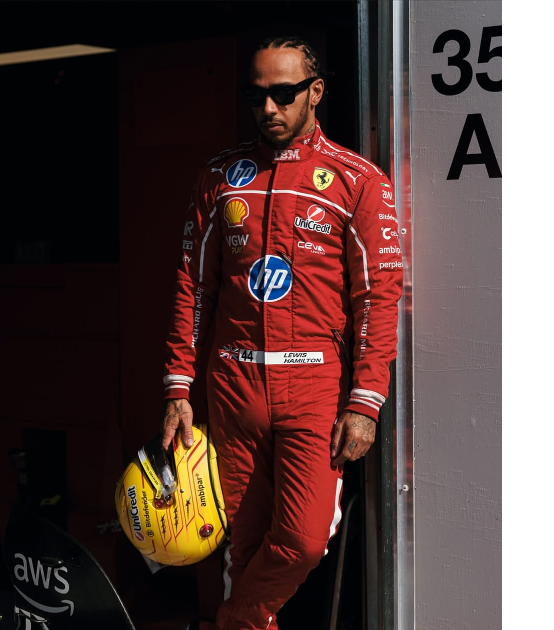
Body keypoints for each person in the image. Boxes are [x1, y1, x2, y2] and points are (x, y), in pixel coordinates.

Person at [160, 36, 403, 630]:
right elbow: (193, 286)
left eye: (283, 94)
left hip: (314, 386)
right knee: (241, 546)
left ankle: (230, 622)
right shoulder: (220, 177)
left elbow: (378, 296)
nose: (268, 108)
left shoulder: (358, 180)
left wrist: (365, 402)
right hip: (233, 383)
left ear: (316, 92)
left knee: (303, 541)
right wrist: (177, 388)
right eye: (256, 96)